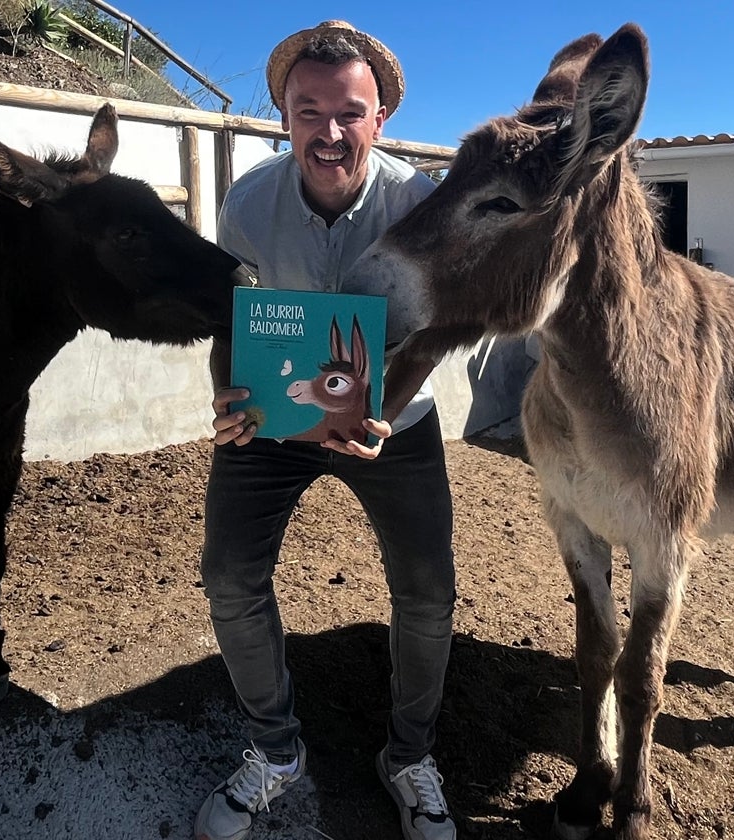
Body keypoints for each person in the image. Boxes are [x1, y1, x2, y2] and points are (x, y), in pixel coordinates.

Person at [194, 20, 457, 840]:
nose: (330, 131)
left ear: (379, 120)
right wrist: (229, 399)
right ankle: (276, 751)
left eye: (350, 112)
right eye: (309, 111)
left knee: (428, 592)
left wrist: (386, 407)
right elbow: (232, 322)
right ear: (283, 117)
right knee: (229, 577)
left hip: (394, 425)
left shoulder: (420, 204)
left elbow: (442, 327)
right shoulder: (247, 203)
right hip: (275, 426)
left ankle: (409, 757)